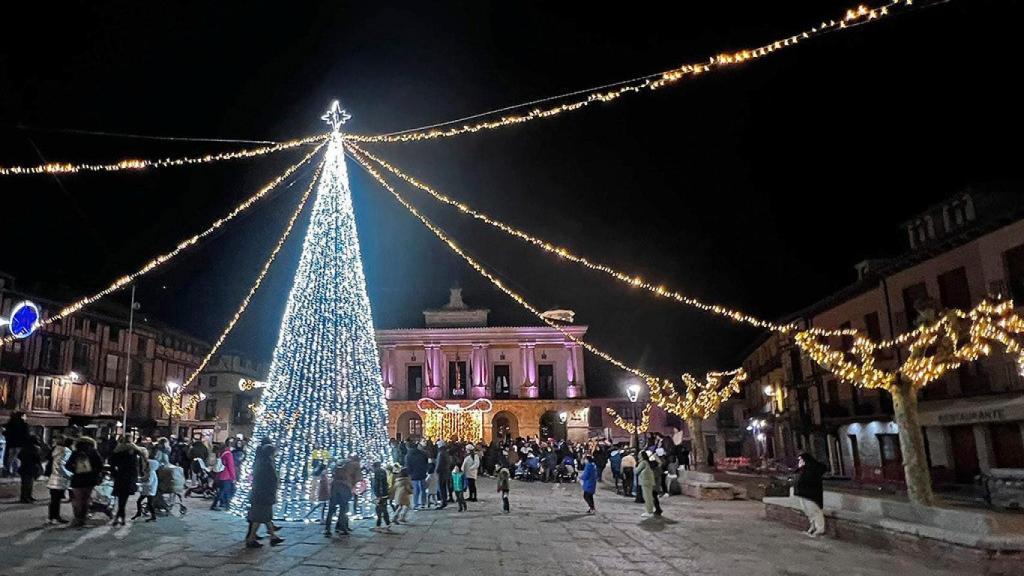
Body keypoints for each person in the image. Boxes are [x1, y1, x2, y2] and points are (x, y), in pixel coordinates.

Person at [246, 442, 283, 547]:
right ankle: (251, 539)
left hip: (260, 494)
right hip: (263, 495)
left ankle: (273, 537)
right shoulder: (266, 464)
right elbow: (270, 480)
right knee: (259, 518)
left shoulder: (262, 462)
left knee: (265, 517)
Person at [66, 436, 103, 527]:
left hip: (77, 479)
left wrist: (75, 470)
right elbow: (100, 466)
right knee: (86, 499)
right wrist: (93, 472)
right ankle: (83, 518)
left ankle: (77, 518)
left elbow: (68, 466)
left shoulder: (75, 453)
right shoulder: (93, 452)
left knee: (77, 499)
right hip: (90, 479)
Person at [109, 436, 141, 525]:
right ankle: (121, 517)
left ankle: (119, 517)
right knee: (123, 498)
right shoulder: (134, 451)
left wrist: (114, 474)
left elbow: (111, 464)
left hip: (120, 476)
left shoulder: (117, 451)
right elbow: (137, 466)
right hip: (130, 477)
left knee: (120, 498)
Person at [794, 452, 827, 537]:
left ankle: (820, 529)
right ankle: (812, 527)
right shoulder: (803, 469)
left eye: (801, 459)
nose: (799, 461)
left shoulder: (812, 468)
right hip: (803, 494)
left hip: (811, 494)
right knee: (808, 512)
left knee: (815, 511)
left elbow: (808, 480)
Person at [47, 437, 73, 523]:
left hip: (54, 476)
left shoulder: (56, 450)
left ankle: (51, 517)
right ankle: (56, 517)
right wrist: (69, 474)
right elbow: (62, 465)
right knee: (57, 499)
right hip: (61, 478)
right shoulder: (66, 451)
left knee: (54, 499)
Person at [325, 459, 353, 537]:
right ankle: (342, 528)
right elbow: (346, 484)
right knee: (342, 512)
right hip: (341, 495)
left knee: (331, 512)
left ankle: (328, 529)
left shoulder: (335, 471)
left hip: (334, 493)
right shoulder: (344, 472)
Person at [131, 448, 159, 522]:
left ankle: (153, 516)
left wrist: (140, 484)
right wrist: (139, 479)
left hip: (150, 491)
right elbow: (145, 478)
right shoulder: (150, 472)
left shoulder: (151, 473)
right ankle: (139, 513)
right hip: (147, 490)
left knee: (149, 503)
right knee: (140, 501)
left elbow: (149, 483)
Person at [211, 441, 237, 511]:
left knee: (222, 491)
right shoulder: (228, 454)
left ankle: (222, 504)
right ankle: (224, 505)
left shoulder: (222, 453)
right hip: (226, 476)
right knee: (225, 491)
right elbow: (230, 466)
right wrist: (233, 477)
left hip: (220, 475)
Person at [404, 440, 428, 510]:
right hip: (422, 473)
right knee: (423, 489)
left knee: (416, 490)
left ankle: (416, 503)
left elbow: (408, 466)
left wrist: (409, 474)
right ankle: (423, 503)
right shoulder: (422, 453)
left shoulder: (408, 455)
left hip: (414, 475)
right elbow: (426, 462)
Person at [3, 411, 29, 476]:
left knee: (11, 457)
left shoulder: (11, 423)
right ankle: (15, 471)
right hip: (20, 444)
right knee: (17, 458)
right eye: (25, 416)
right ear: (22, 416)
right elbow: (26, 435)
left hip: (11, 444)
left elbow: (6, 433)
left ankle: (8, 470)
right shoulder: (24, 425)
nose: (26, 417)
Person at [17, 435, 42, 503]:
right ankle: (27, 497)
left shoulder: (24, 447)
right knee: (29, 483)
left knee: (25, 484)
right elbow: (38, 459)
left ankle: (24, 497)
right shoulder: (36, 448)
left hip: (24, 467)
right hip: (31, 467)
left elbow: (19, 456)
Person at [637, 451, 658, 518]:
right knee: (649, 496)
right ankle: (651, 509)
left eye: (639, 455)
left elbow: (637, 470)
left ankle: (649, 511)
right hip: (649, 481)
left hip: (645, 481)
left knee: (647, 497)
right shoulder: (647, 462)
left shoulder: (643, 462)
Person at [372, 461, 392, 531]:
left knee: (379, 509)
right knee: (383, 508)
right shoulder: (383, 471)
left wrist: (378, 495)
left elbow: (378, 484)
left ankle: (379, 525)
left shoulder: (377, 472)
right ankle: (387, 523)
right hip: (384, 493)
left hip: (380, 495)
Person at [435, 442, 452, 509]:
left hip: (441, 473)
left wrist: (436, 471)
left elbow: (439, 463)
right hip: (446, 472)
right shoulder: (446, 453)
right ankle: (444, 501)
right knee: (444, 487)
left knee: (441, 488)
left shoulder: (441, 453)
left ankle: (443, 501)